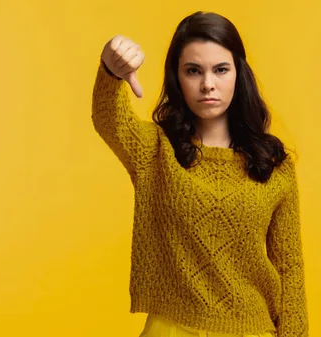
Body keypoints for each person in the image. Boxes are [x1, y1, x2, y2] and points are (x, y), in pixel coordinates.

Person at [92, 10, 309, 337]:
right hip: (172, 328)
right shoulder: (155, 151)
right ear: (177, 77)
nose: (208, 84)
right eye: (193, 71)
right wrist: (111, 68)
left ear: (239, 73)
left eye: (221, 69)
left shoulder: (274, 164)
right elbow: (109, 118)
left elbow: (289, 270)